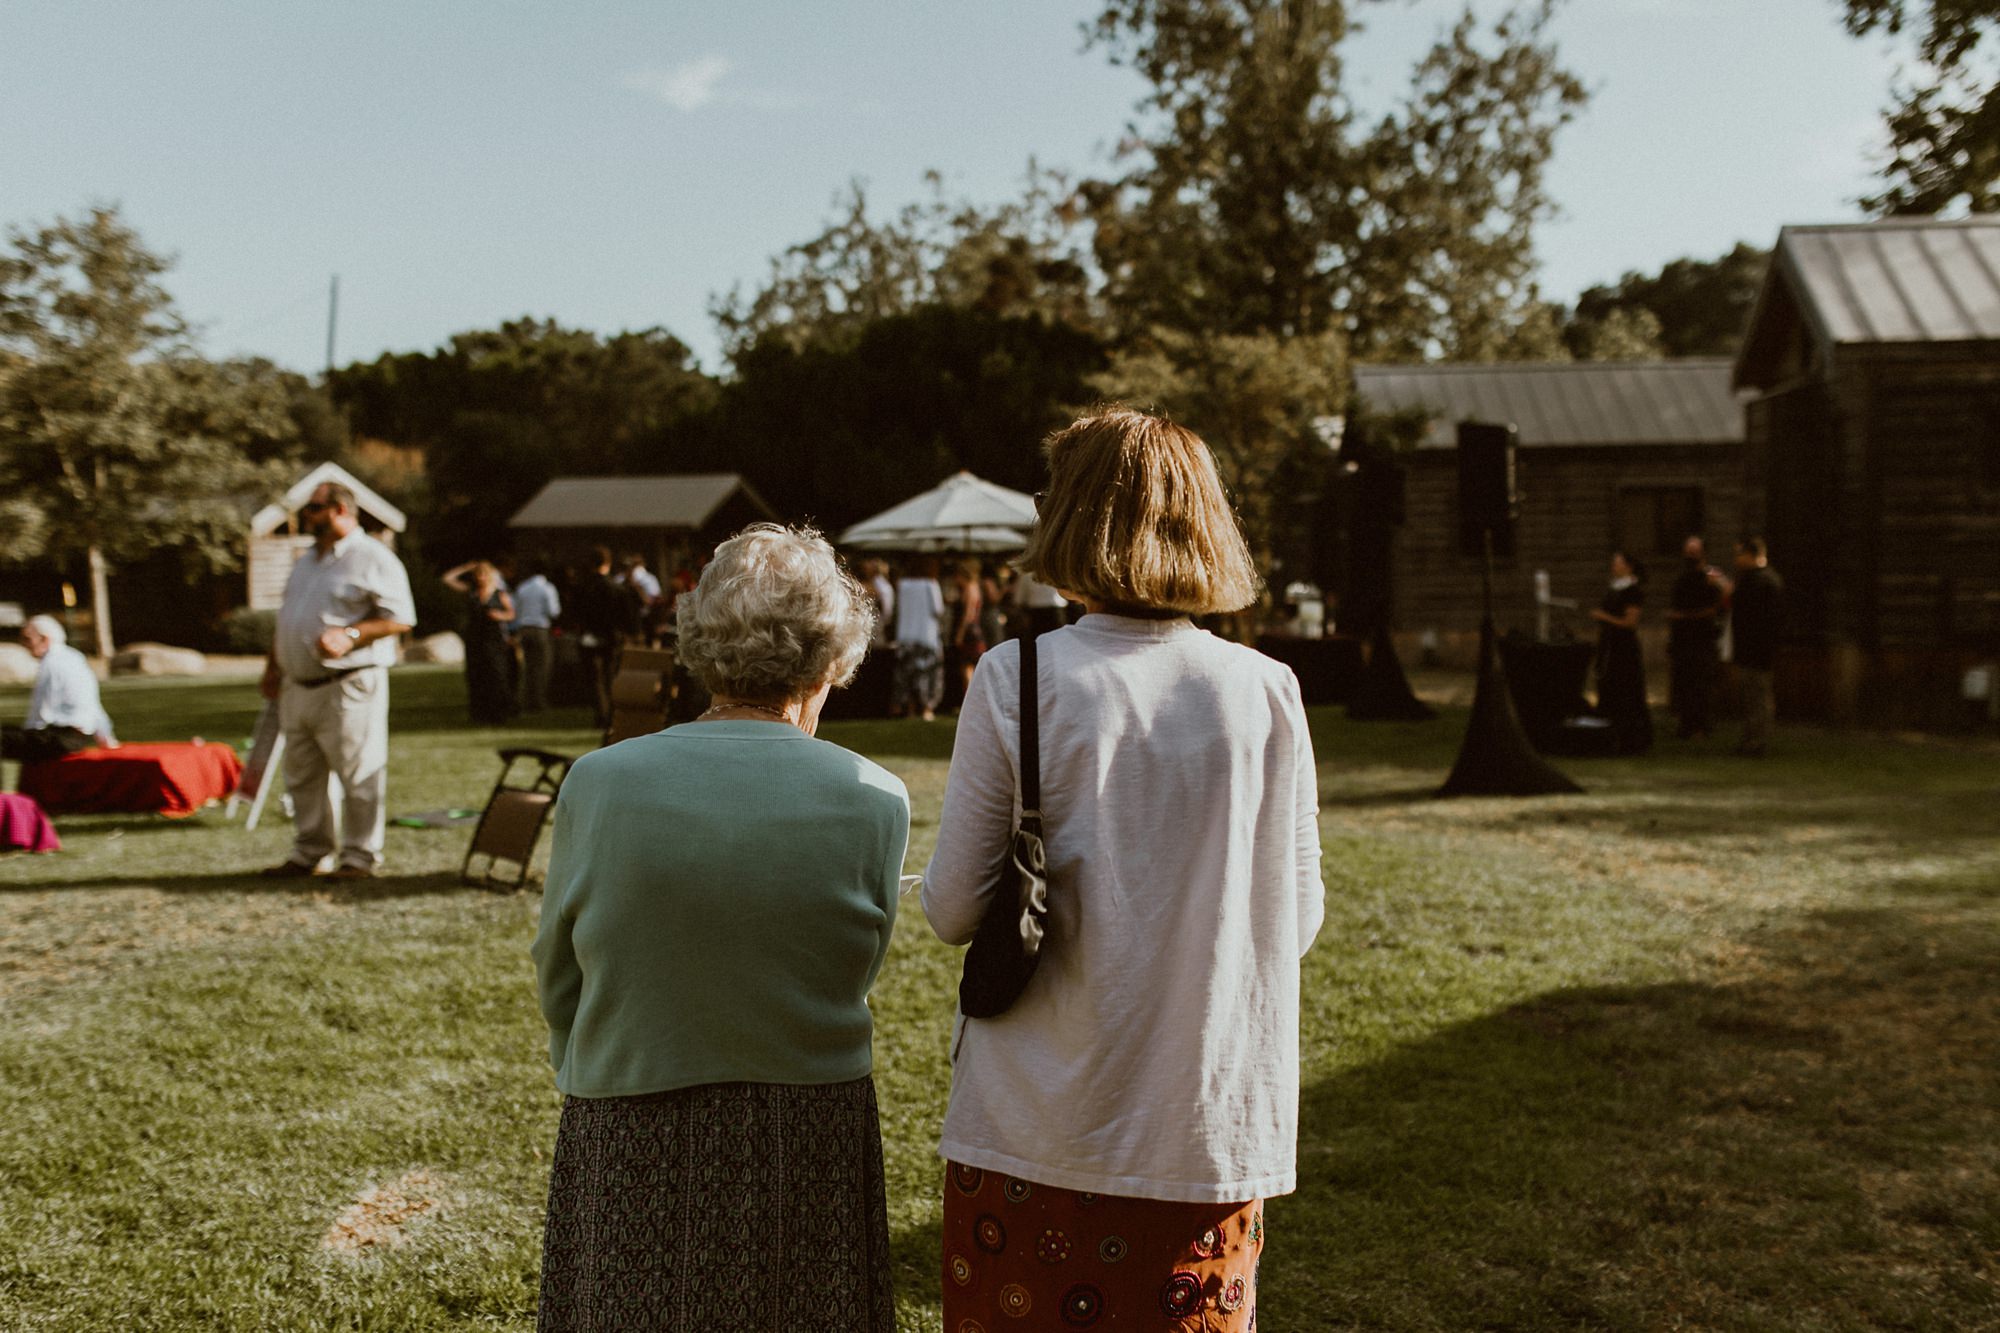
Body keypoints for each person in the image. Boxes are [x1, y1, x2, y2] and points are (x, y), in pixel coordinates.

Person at [922, 409, 1324, 1333]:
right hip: (1203, 1122)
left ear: (1071, 518)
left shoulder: (1018, 677)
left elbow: (953, 910)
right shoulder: (1267, 689)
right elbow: (1294, 918)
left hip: (1034, 1122)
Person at [532, 524, 906, 1332]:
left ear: (698, 643)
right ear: (832, 659)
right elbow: (857, 962)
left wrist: (589, 1057)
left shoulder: (600, 781)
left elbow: (558, 966)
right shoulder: (875, 795)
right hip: (812, 1122)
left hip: (629, 1107)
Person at [260, 481, 415, 880]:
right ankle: (311, 850)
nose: (305, 517)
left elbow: (400, 618)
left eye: (313, 509)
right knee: (302, 775)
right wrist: (273, 666)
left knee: (358, 772)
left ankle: (359, 857)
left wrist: (350, 636)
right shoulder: (306, 560)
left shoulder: (373, 557)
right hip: (298, 686)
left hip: (348, 684)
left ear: (340, 510)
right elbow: (288, 617)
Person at [2, 615, 115, 763]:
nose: (24, 644)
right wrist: (106, 738)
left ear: (45, 639)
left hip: (61, 738)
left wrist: (28, 734)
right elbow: (93, 703)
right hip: (80, 737)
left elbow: (43, 709)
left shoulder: (51, 664)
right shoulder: (75, 657)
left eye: (27, 639)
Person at [1590, 550, 1653, 755]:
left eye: (1617, 563)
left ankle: (1632, 740)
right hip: (1609, 646)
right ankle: (1609, 738)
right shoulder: (1613, 589)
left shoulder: (1633, 591)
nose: (1613, 566)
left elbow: (1630, 622)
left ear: (1628, 566)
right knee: (1609, 691)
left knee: (1626, 691)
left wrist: (1604, 617)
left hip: (1624, 648)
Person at [567, 546, 637, 727]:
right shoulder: (617, 588)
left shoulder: (581, 588)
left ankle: (601, 713)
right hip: (612, 638)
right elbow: (629, 617)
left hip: (589, 636)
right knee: (611, 676)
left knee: (594, 679)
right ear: (608, 563)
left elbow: (573, 613)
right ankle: (612, 714)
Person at [1666, 535, 1728, 740]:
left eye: (1694, 550)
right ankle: (1686, 724)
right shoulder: (1683, 577)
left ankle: (1702, 726)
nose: (1691, 554)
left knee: (1702, 684)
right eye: (1688, 550)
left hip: (1703, 639)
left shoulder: (1711, 574)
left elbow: (1725, 597)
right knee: (1684, 684)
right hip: (1683, 640)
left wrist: (1685, 616)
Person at [1728, 536, 1784, 757]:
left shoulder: (1765, 581)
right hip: (1749, 648)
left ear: (1751, 555)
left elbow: (1766, 619)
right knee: (1750, 697)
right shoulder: (1752, 579)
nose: (1736, 559)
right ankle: (1750, 740)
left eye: (1740, 554)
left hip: (1759, 650)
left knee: (1758, 697)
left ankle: (1757, 743)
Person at [442, 561, 516, 725]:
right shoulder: (471, 592)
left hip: (494, 639)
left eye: (483, 574)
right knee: (476, 675)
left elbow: (511, 614)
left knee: (496, 675)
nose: (481, 578)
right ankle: (479, 714)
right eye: (478, 574)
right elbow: (447, 579)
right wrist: (466, 567)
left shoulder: (499, 594)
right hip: (475, 639)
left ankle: (499, 712)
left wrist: (500, 616)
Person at [892, 556, 947, 721]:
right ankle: (926, 708)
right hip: (927, 635)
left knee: (907, 675)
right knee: (927, 674)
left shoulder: (903, 585)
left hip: (906, 636)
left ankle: (910, 708)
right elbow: (938, 610)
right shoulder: (931, 584)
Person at [508, 556, 562, 714]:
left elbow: (516, 609)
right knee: (543, 667)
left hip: (524, 628)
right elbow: (553, 611)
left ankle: (526, 700)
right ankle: (539, 702)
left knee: (528, 667)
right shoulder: (547, 588)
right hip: (540, 629)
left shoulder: (523, 587)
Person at [946, 558, 986, 701]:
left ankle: (970, 699)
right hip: (975, 630)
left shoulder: (969, 588)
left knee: (966, 666)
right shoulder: (975, 586)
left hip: (969, 632)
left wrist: (960, 634)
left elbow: (968, 614)